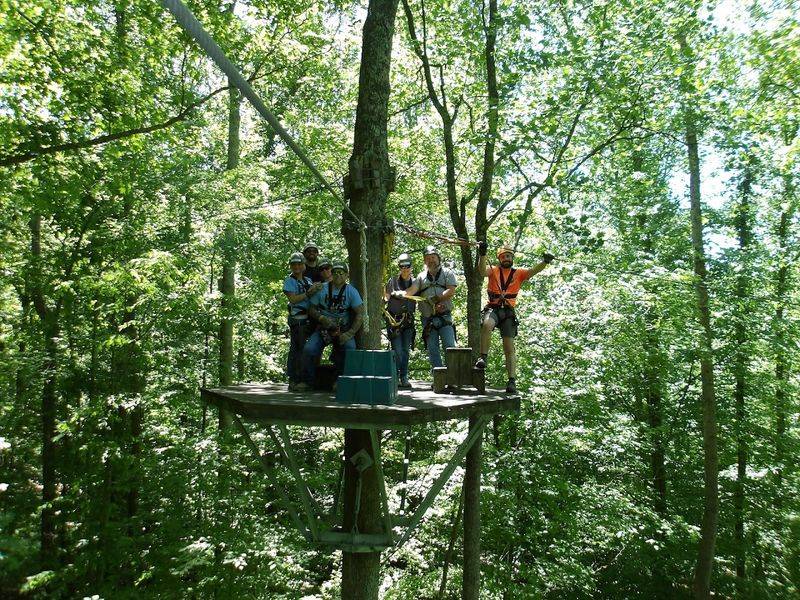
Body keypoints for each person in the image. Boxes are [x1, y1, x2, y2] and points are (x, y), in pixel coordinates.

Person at [473, 242, 554, 393]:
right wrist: (483, 254)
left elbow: (532, 271)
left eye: (509, 256)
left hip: (508, 313)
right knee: (487, 324)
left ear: (512, 258)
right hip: (494, 308)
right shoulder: (494, 270)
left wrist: (545, 262)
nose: (506, 258)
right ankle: (483, 357)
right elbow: (482, 271)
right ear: (499, 259)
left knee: (509, 347)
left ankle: (511, 381)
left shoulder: (519, 273)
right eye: (503, 256)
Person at [297, 262, 364, 391]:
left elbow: (360, 313)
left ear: (346, 275)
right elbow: (311, 308)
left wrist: (350, 333)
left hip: (343, 328)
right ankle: (307, 381)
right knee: (309, 349)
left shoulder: (351, 291)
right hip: (324, 328)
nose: (338, 275)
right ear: (331, 274)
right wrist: (321, 318)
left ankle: (341, 381)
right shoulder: (322, 288)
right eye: (335, 272)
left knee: (350, 348)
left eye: (341, 273)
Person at [392, 245, 456, 369]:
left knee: (450, 346)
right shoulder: (421, 277)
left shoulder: (447, 273)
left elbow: (451, 291)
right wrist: (401, 293)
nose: (431, 260)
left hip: (445, 317)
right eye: (428, 258)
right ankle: (439, 378)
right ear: (424, 261)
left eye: (433, 257)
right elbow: (412, 290)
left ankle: (452, 377)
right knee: (432, 349)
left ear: (438, 258)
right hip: (428, 319)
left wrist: (436, 298)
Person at [283, 252, 323, 391]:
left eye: (299, 264)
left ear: (304, 265)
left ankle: (307, 379)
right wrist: (308, 293)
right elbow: (293, 300)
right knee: (297, 350)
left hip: (309, 320)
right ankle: (294, 379)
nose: (297, 267)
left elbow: (315, 297)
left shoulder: (307, 280)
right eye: (294, 264)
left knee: (308, 350)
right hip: (298, 320)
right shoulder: (289, 281)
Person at [384, 253, 416, 388]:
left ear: (411, 267)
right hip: (394, 321)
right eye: (402, 266)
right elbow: (385, 298)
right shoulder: (392, 281)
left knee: (405, 350)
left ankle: (404, 376)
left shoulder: (415, 283)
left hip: (408, 321)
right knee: (397, 350)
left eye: (407, 266)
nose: (405, 268)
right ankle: (396, 375)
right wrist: (389, 295)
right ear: (399, 267)